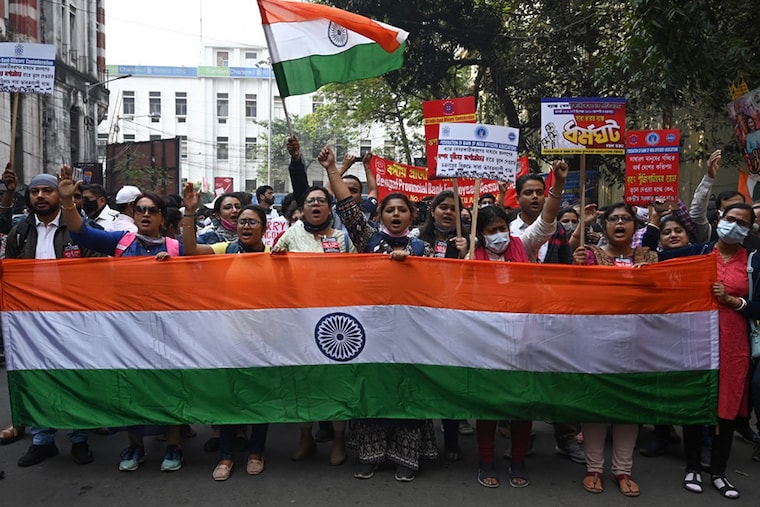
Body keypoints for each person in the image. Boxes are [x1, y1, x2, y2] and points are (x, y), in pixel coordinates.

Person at [57, 166, 186, 472]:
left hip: (166, 331)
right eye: (139, 209)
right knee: (131, 388)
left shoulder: (176, 249)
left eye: (152, 210)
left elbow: (197, 278)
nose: (144, 214)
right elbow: (81, 231)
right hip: (127, 332)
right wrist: (67, 202)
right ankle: (135, 447)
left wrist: (174, 268)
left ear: (162, 218)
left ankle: (173, 446)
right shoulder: (121, 242)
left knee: (168, 388)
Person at [322, 145, 437, 481]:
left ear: (412, 217)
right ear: (381, 215)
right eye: (391, 210)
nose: (397, 215)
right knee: (372, 391)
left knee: (406, 393)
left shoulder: (424, 249)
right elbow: (347, 208)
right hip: (372, 332)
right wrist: (332, 169)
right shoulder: (367, 239)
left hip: (411, 335)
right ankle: (371, 455)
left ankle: (406, 457)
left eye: (403, 210)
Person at [653, 202, 759, 499]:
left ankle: (720, 472)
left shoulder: (755, 262)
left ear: (749, 229)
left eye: (742, 222)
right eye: (730, 219)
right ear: (719, 220)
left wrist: (733, 301)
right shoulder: (698, 253)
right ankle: (693, 466)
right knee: (696, 402)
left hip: (734, 344)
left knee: (727, 407)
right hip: (696, 339)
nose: (734, 225)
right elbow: (659, 263)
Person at [1, 168, 101, 466]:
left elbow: (97, 264)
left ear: (60, 194)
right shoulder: (22, 230)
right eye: (35, 192)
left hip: (72, 318)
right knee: (36, 378)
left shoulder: (79, 228)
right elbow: (11, 267)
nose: (40, 196)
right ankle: (42, 439)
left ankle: (79, 438)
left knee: (75, 377)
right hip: (31, 320)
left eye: (47, 191)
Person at [181, 182, 270, 481]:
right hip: (229, 338)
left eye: (252, 222)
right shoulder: (226, 249)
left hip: (265, 340)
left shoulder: (276, 255)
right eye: (242, 221)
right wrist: (190, 213)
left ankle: (256, 452)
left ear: (263, 228)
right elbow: (191, 250)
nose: (245, 225)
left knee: (260, 396)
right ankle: (227, 455)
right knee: (230, 396)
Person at [573, 202, 659, 497]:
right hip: (597, 342)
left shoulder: (649, 256)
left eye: (625, 218)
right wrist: (577, 266)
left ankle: (623, 470)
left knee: (627, 407)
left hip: (637, 343)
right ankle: (593, 468)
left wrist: (649, 278)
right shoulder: (589, 256)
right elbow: (574, 293)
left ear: (635, 226)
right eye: (613, 219)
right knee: (597, 405)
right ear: (604, 225)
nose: (619, 223)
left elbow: (661, 295)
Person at [272, 181, 355, 465]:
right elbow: (273, 268)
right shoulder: (289, 235)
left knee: (335, 381)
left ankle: (339, 440)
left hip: (335, 322)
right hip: (299, 320)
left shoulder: (344, 239)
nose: (316, 205)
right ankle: (305, 438)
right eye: (311, 202)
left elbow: (357, 272)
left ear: (329, 208)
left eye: (322, 201)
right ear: (302, 209)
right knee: (303, 379)